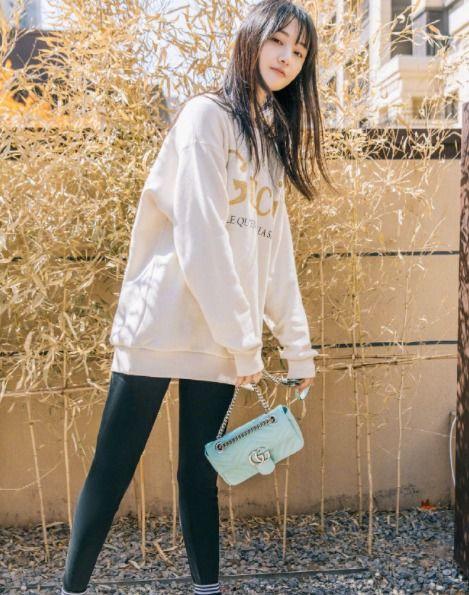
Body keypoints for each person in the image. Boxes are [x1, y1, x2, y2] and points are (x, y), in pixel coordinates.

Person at [60, 1, 334, 593]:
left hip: (220, 342)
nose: (287, 57)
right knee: (113, 468)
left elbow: (273, 256)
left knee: (198, 475)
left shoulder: (269, 140)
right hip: (160, 326)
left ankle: (207, 589)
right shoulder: (204, 118)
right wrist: (246, 343)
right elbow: (201, 236)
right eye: (278, 42)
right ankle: (70, 589)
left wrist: (297, 347)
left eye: (299, 51)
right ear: (250, 40)